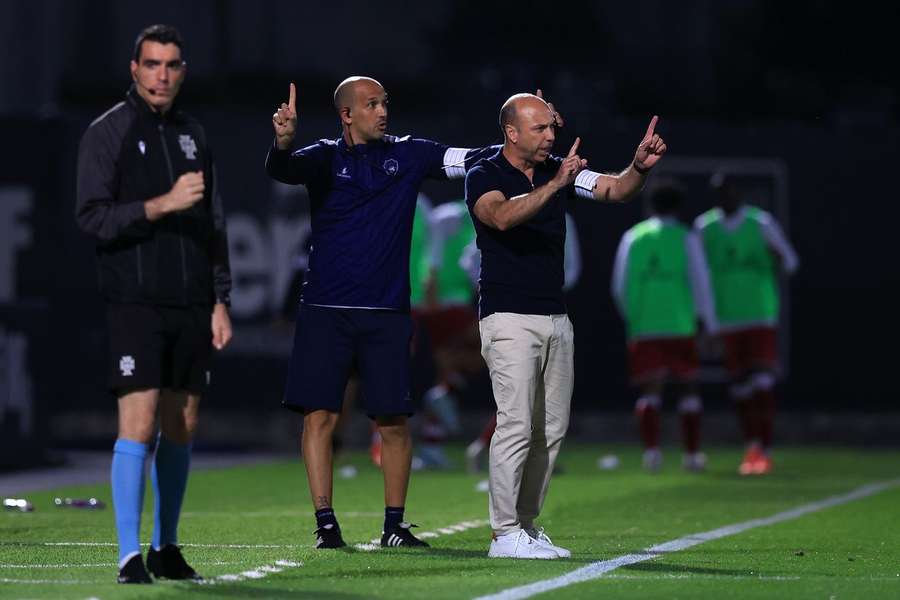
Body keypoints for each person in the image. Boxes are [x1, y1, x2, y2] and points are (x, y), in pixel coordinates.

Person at [266, 76, 515, 549]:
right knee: (320, 418)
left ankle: (394, 526)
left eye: (385, 103)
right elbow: (283, 168)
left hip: (386, 314)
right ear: (346, 114)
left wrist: (516, 139)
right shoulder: (323, 156)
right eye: (371, 104)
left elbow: (467, 159)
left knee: (394, 422)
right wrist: (281, 143)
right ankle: (325, 523)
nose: (383, 111)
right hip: (325, 311)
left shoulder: (410, 154)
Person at [466, 93, 666, 559]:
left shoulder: (561, 167)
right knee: (515, 424)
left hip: (555, 316)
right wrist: (557, 184)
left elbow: (613, 189)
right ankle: (502, 534)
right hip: (508, 316)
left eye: (552, 128)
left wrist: (639, 168)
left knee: (549, 431)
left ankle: (526, 527)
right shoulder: (485, 172)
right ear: (511, 133)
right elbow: (498, 216)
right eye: (540, 129)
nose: (551, 136)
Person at [75, 25, 233, 584]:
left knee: (183, 423)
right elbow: (92, 216)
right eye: (152, 64)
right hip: (135, 301)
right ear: (134, 69)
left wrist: (220, 300)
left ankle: (165, 546)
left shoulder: (194, 134)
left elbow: (214, 225)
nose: (162, 75)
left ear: (182, 72)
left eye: (171, 65)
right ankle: (127, 554)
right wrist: (161, 204)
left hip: (191, 301)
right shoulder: (109, 132)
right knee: (138, 424)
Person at [695, 172, 798, 475]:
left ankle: (764, 448)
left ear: (738, 193)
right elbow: (701, 277)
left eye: (728, 190)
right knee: (739, 387)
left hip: (760, 314)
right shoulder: (705, 228)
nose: (724, 197)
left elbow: (790, 261)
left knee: (762, 381)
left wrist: (775, 259)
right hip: (727, 319)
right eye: (718, 192)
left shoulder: (761, 223)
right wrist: (708, 322)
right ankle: (751, 446)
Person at [611, 180, 717, 472]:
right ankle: (692, 455)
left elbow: (620, 286)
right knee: (688, 388)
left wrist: (633, 317)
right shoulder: (686, 237)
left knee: (650, 390)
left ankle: (652, 453)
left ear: (649, 205)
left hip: (645, 326)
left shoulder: (634, 237)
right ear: (679, 207)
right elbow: (700, 282)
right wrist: (708, 322)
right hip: (680, 325)